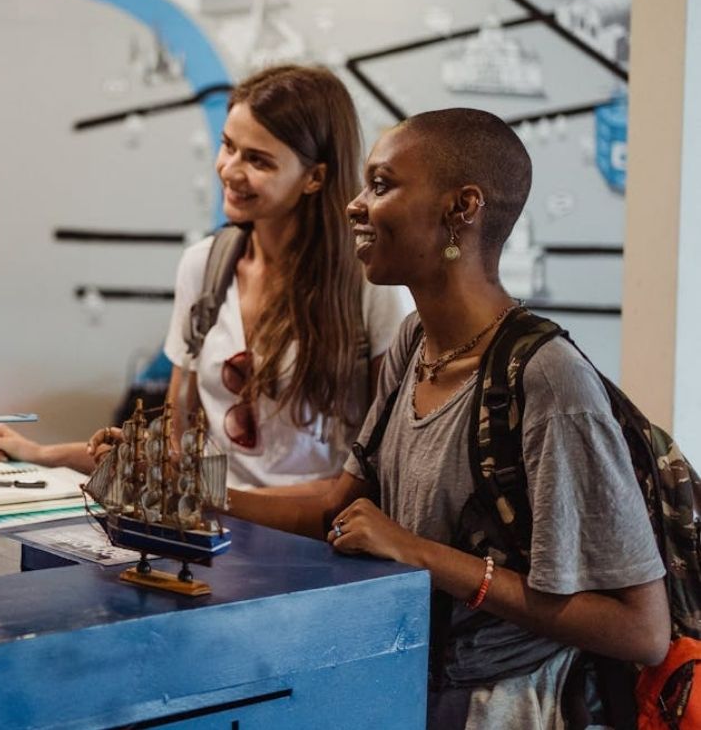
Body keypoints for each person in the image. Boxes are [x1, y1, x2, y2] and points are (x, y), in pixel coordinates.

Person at [233, 108, 668, 727]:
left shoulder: (547, 377)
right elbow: (340, 510)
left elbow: (640, 630)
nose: (355, 206)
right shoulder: (414, 343)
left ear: (463, 207)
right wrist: (196, 495)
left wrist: (417, 553)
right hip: (412, 685)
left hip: (509, 706)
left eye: (381, 186)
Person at [0, 65, 412, 490]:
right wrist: (40, 454)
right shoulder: (204, 266)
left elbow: (382, 463)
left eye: (258, 160)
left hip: (314, 546)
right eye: (228, 146)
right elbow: (175, 447)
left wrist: (219, 502)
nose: (230, 170)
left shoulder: (372, 281)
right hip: (215, 533)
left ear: (314, 177)